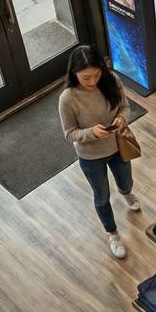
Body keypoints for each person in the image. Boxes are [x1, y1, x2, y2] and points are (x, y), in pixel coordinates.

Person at [59, 45, 141, 259]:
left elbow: (125, 106)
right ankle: (112, 234)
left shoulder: (111, 80)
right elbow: (69, 134)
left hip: (117, 146)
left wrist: (122, 119)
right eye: (86, 77)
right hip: (90, 157)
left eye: (97, 75)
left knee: (126, 181)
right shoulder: (67, 98)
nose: (93, 81)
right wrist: (91, 133)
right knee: (102, 196)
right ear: (74, 73)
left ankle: (126, 193)